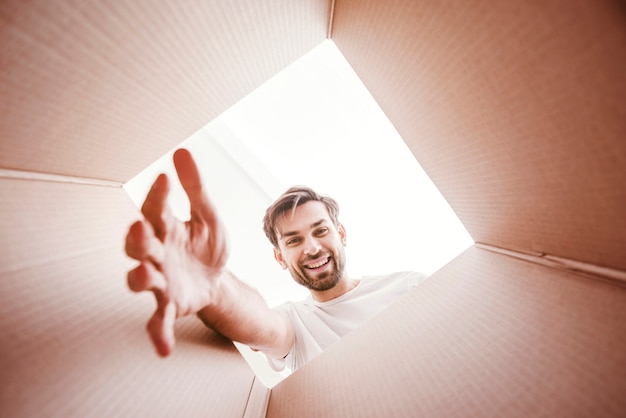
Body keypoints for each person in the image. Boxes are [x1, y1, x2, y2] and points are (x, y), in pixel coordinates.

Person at [125, 148, 426, 371]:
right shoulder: (294, 324)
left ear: (342, 234)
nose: (311, 248)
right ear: (280, 258)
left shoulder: (409, 287)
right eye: (294, 240)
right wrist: (214, 285)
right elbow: (265, 327)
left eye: (320, 231)